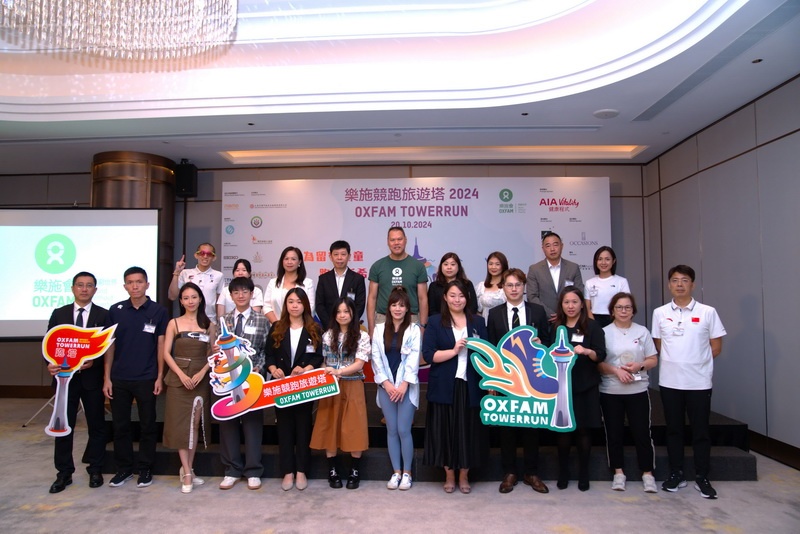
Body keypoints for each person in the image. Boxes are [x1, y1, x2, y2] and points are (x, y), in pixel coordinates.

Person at [652, 265, 725, 499]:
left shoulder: (707, 312)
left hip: (699, 383)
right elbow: (659, 345)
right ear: (669, 285)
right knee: (674, 430)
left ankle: (702, 476)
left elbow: (716, 346)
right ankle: (677, 473)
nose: (680, 284)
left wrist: (696, 362)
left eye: (684, 280)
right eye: (675, 280)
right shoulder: (660, 313)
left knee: (700, 431)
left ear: (692, 284)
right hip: (670, 381)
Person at [487, 268, 552, 495]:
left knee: (531, 426)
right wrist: (492, 382)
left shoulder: (537, 311)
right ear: (503, 288)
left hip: (532, 378)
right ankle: (510, 472)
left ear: (524, 287)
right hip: (506, 378)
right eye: (509, 285)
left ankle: (531, 472)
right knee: (507, 427)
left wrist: (541, 343)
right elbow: (492, 348)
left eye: (517, 285)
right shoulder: (494, 314)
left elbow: (549, 342)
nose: (514, 289)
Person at [103, 266, 168, 488]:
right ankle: (124, 469)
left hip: (147, 377)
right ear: (125, 286)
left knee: (148, 425)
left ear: (147, 284)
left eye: (139, 282)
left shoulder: (158, 311)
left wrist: (159, 376)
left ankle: (145, 468)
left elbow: (160, 345)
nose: (135, 286)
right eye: (130, 282)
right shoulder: (116, 310)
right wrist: (107, 377)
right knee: (120, 425)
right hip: (119, 378)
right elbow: (109, 345)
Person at [422, 280, 488, 494]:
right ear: (445, 297)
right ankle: (449, 475)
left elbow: (488, 355)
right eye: (452, 295)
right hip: (445, 385)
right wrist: (453, 351)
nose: (457, 300)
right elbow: (428, 355)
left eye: (461, 296)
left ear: (467, 298)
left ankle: (464, 475)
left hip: (471, 385)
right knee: (445, 432)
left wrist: (489, 383)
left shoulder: (478, 322)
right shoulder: (434, 322)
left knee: (468, 431)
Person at [46, 271, 108, 493]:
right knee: (64, 427)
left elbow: (109, 348)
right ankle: (64, 473)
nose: (84, 289)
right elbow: (49, 344)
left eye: (89, 285)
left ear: (95, 290)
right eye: (80, 285)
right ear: (72, 288)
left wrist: (95, 361)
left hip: (92, 380)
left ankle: (95, 469)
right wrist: (49, 363)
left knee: (97, 426)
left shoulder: (103, 315)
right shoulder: (59, 313)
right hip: (65, 380)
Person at [598, 292, 658, 493]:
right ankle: (618, 473)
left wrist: (640, 366)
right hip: (611, 390)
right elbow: (598, 364)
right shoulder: (604, 332)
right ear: (612, 311)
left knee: (642, 432)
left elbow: (653, 359)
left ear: (633, 311)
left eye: (627, 307)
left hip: (637, 389)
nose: (623, 311)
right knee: (613, 433)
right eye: (619, 307)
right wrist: (616, 371)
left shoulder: (642, 332)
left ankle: (648, 473)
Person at [264, 287, 323, 491]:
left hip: (303, 385)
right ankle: (287, 471)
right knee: (284, 429)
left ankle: (301, 471)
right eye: (291, 302)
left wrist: (306, 369)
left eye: (298, 302)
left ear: (305, 304)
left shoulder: (314, 328)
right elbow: (269, 355)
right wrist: (273, 369)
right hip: (282, 386)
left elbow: (318, 356)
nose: (295, 305)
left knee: (303, 428)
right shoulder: (277, 327)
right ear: (285, 305)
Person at [310, 297, 370, 490]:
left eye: (346, 311)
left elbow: (359, 364)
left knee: (355, 425)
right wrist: (324, 371)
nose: (342, 315)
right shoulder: (327, 335)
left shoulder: (362, 336)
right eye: (339, 312)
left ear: (353, 314)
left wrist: (339, 371)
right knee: (330, 424)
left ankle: (355, 471)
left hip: (353, 384)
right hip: (331, 386)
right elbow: (324, 361)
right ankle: (332, 470)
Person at [217, 276, 269, 491]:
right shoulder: (224, 320)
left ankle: (253, 470)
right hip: (228, 381)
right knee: (228, 424)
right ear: (230, 295)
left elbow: (267, 350)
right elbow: (217, 351)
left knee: (252, 425)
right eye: (236, 292)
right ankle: (231, 470)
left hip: (252, 380)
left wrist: (260, 368)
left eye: (245, 292)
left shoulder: (262, 320)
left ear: (251, 294)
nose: (240, 295)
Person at [162, 282, 214, 494]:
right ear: (181, 301)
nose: (190, 301)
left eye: (194, 297)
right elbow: (166, 353)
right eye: (186, 298)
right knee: (181, 426)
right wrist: (181, 375)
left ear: (200, 299)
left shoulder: (208, 324)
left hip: (200, 378)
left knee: (194, 425)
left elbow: (213, 353)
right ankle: (187, 471)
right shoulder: (174, 323)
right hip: (179, 379)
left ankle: (188, 469)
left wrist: (203, 372)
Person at [553, 285, 606, 491]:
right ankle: (563, 472)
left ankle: (584, 474)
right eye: (566, 302)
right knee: (563, 433)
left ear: (582, 304)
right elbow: (548, 352)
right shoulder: (556, 327)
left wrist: (587, 351)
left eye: (575, 302)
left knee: (584, 431)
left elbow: (601, 355)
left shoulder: (592, 326)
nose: (570, 306)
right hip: (561, 387)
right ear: (561, 305)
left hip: (586, 385)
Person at [371, 287, 421, 491]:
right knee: (391, 430)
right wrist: (387, 384)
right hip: (387, 387)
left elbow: (414, 359)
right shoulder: (379, 330)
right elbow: (375, 358)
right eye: (394, 305)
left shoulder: (414, 330)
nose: (397, 309)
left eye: (401, 305)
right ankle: (396, 472)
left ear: (407, 308)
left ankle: (407, 472)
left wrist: (403, 385)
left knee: (403, 429)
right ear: (388, 308)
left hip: (405, 387)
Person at [367, 227, 428, 337]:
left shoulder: (418, 266)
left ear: (405, 240)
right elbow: (372, 298)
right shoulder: (377, 266)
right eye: (392, 240)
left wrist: (423, 326)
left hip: (411, 319)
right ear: (387, 242)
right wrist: (371, 328)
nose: (396, 243)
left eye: (399, 239)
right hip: (383, 319)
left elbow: (423, 298)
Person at [526, 232, 584, 321]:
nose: (552, 249)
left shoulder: (573, 268)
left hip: (569, 319)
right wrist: (550, 314)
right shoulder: (535, 269)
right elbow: (532, 297)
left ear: (562, 246)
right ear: (543, 249)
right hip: (545, 320)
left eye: (555, 245)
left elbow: (579, 293)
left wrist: (563, 314)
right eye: (548, 246)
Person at [315, 240, 366, 328]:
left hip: (350, 327)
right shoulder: (323, 279)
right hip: (329, 327)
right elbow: (319, 305)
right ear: (330, 257)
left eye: (343, 254)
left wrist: (350, 323)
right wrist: (329, 325)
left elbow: (360, 305)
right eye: (336, 254)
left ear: (349, 256)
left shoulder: (357, 279)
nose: (339, 258)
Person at [169, 243, 224, 323]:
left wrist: (219, 323)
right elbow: (172, 296)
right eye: (202, 253)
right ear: (196, 255)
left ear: (214, 257)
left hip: (210, 321)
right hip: (187, 321)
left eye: (209, 254)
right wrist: (176, 272)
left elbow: (219, 302)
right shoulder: (185, 273)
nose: (205, 256)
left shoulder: (218, 275)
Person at [264, 246, 315, 324]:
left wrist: (295, 325)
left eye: (293, 259)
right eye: (286, 259)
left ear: (299, 262)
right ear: (282, 261)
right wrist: (278, 325)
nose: (289, 262)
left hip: (301, 326)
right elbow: (267, 306)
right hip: (277, 327)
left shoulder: (308, 283)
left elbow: (310, 308)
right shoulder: (273, 282)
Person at [584, 246, 630, 327]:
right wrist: (594, 324)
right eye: (600, 259)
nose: (603, 262)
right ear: (596, 261)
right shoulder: (589, 282)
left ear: (613, 261)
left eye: (607, 259)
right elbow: (587, 308)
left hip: (615, 319)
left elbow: (626, 304)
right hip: (594, 320)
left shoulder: (621, 281)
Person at [476, 251, 508, 321]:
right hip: (485, 323)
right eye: (490, 264)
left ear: (503, 265)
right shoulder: (481, 286)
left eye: (497, 264)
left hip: (504, 323)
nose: (493, 267)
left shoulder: (509, 286)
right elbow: (477, 311)